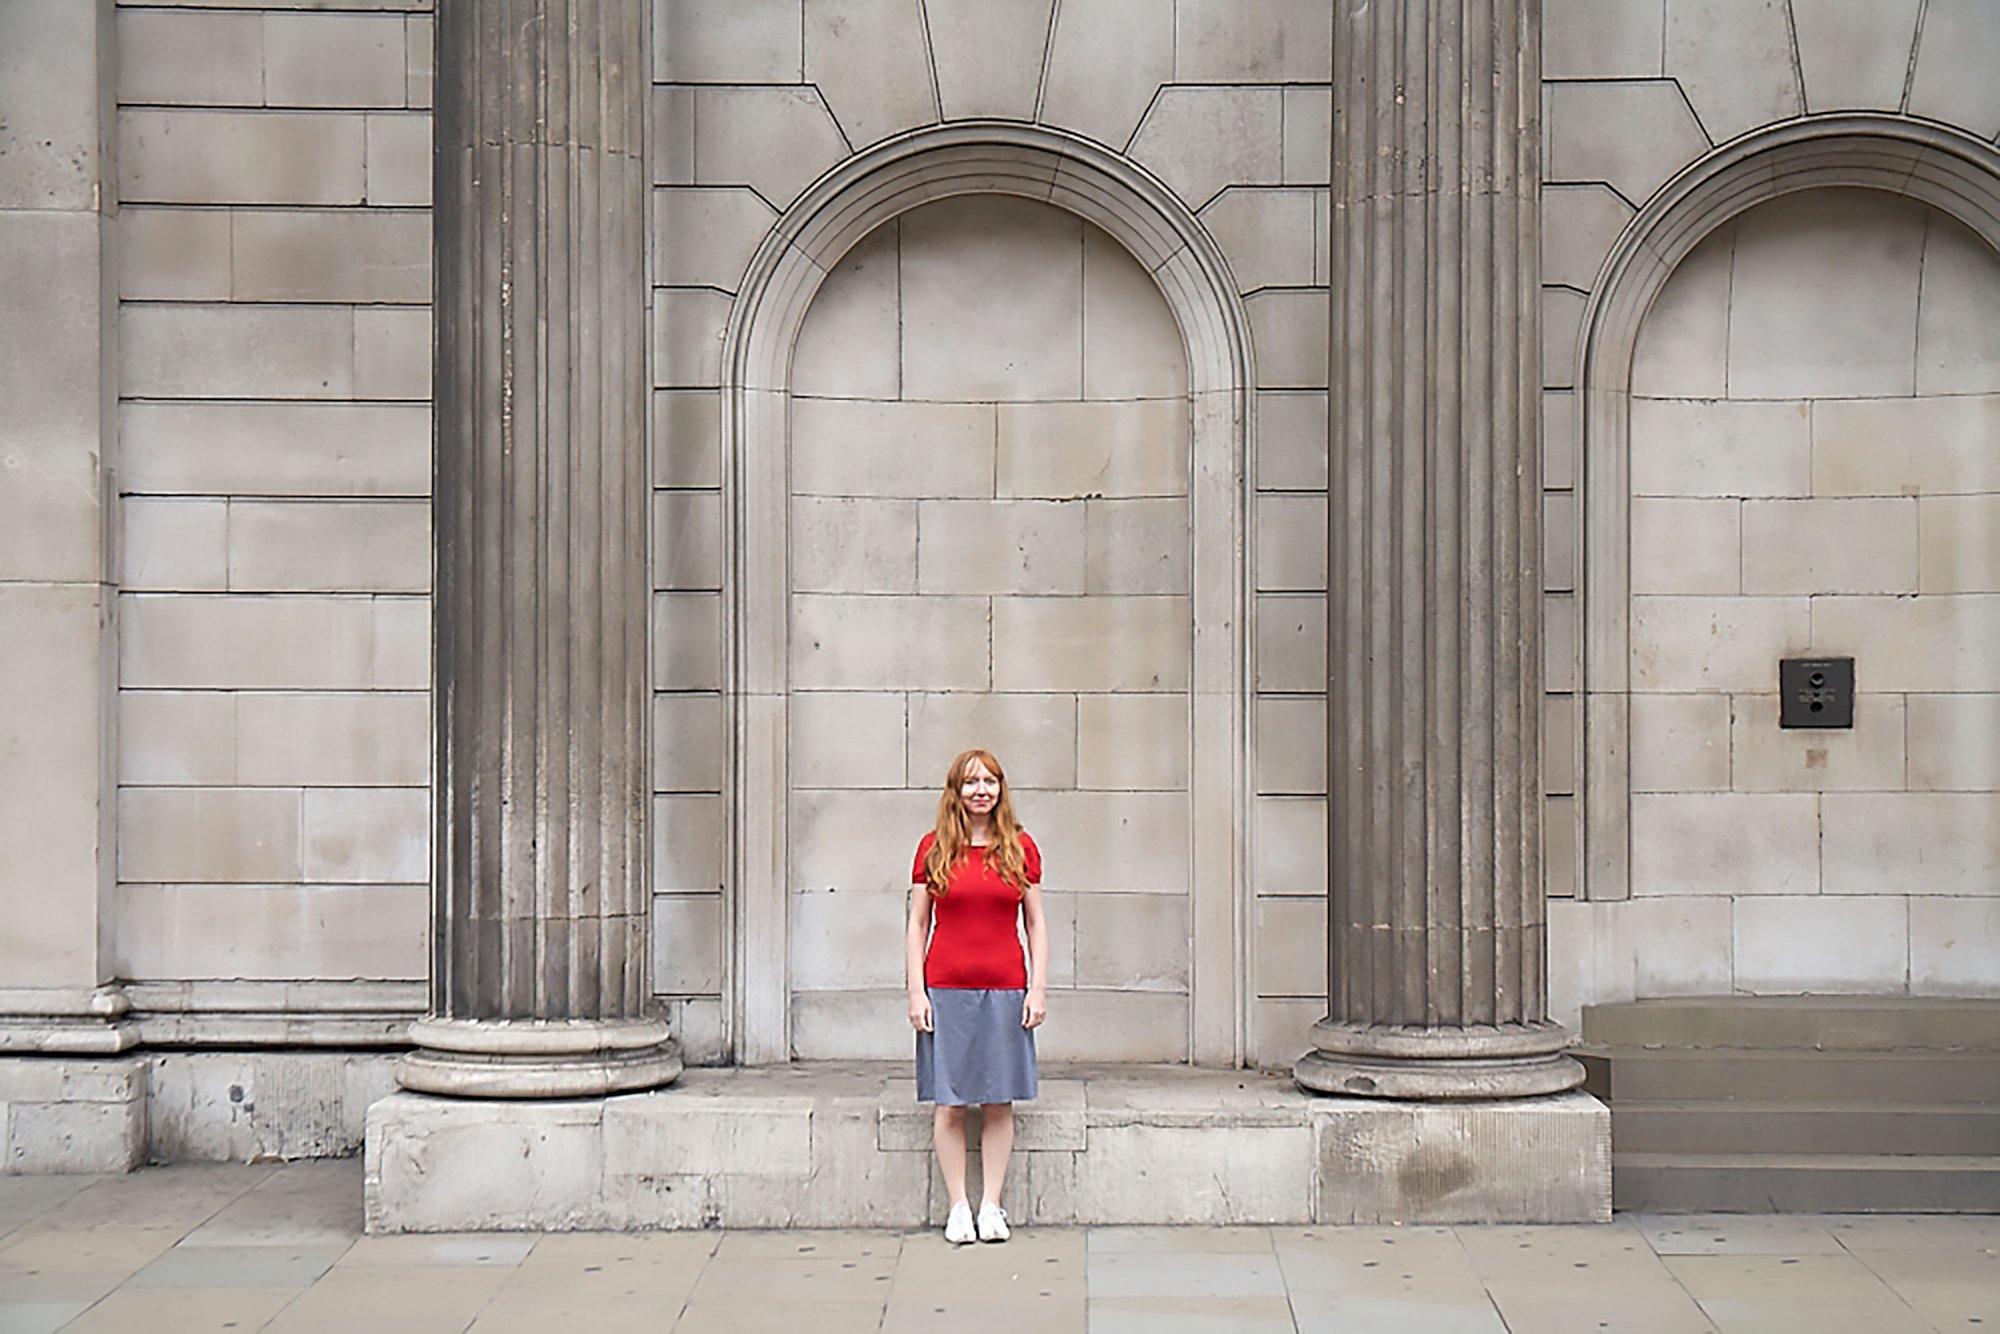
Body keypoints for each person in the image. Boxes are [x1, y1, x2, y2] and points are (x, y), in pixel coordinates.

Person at [906, 748, 1048, 1245]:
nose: (980, 790)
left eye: (989, 781)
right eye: (971, 782)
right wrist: (916, 992)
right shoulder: (932, 848)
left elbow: (1035, 923)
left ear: (1001, 789)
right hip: (945, 988)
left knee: (997, 1102)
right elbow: (917, 923)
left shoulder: (1020, 847)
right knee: (949, 1104)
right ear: (956, 791)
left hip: (1006, 988)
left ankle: (991, 1206)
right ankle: (958, 1208)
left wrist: (1038, 987)